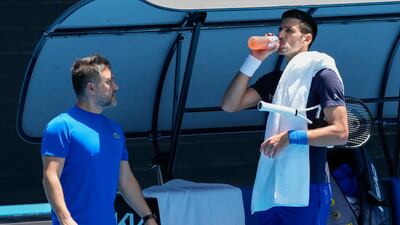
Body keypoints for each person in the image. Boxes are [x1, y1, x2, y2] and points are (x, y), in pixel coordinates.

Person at [221, 9, 349, 225]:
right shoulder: (274, 79)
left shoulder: (323, 74)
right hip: (270, 186)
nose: (280, 35)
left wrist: (290, 137)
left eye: (289, 30)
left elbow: (340, 133)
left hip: (308, 187)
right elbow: (229, 105)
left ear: (306, 38)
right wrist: (254, 59)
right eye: (280, 29)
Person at [41, 54, 158, 225]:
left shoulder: (115, 130)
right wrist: (66, 220)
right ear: (91, 88)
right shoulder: (60, 126)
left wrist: (148, 217)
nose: (115, 87)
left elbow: (125, 180)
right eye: (109, 82)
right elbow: (50, 176)